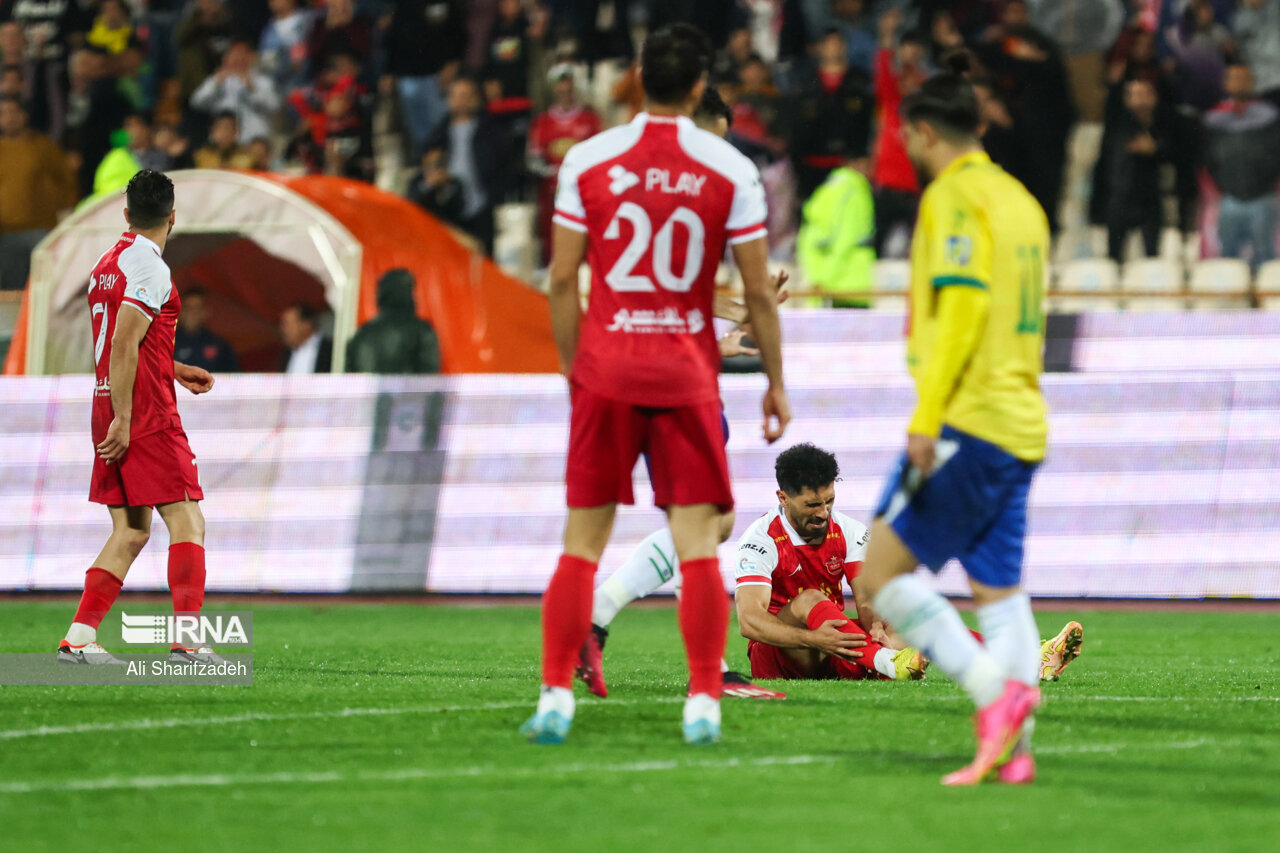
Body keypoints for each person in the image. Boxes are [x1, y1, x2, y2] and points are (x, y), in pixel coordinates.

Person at [523, 23, 789, 747]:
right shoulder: (730, 169)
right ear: (701, 85)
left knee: (581, 542)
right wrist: (774, 380)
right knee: (700, 542)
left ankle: (554, 696)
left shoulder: (589, 158)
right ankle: (703, 697)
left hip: (606, 368)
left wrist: (576, 368)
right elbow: (759, 292)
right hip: (684, 372)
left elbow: (559, 279)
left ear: (637, 79)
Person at [856, 53, 1052, 786]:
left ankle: (995, 698)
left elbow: (965, 304)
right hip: (1022, 419)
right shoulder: (1022, 201)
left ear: (926, 130)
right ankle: (1018, 748)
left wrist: (928, 415)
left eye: (906, 136)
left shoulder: (952, 198)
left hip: (971, 420)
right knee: (1000, 594)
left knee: (879, 576)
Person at [575, 84, 790, 703]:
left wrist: (730, 322)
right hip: (680, 384)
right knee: (707, 521)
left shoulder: (626, 179)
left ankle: (590, 631)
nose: (717, 156)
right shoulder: (700, 192)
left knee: (698, 521)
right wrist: (749, 312)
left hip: (628, 369)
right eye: (713, 140)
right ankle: (697, 667)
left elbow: (662, 293)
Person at [58, 169, 218, 664]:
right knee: (188, 520)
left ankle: (78, 639)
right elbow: (125, 342)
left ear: (126, 214)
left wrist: (171, 367)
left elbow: (123, 343)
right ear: (173, 217)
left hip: (109, 400)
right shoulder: (150, 266)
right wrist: (126, 420)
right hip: (142, 412)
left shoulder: (107, 263)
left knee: (131, 530)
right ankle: (188, 643)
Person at [1203, 65, 1280, 270]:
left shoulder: (1269, 117)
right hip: (1229, 200)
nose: (1239, 83)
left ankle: (1263, 303)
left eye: (1244, 78)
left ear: (1252, 82)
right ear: (1225, 83)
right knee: (1228, 260)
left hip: (1263, 197)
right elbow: (1209, 158)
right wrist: (1222, 185)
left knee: (1266, 258)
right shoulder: (1213, 119)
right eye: (1234, 78)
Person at [423, 75, 510, 256]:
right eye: (457, 95)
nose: (462, 101)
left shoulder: (491, 131)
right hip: (450, 212)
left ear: (476, 99)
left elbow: (503, 167)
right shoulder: (438, 135)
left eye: (467, 95)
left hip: (484, 209)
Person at [527, 64, 602, 265]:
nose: (565, 92)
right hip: (551, 197)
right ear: (554, 89)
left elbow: (600, 157)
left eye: (569, 88)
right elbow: (533, 159)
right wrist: (552, 172)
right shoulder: (542, 122)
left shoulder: (590, 120)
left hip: (584, 195)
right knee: (553, 244)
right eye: (561, 88)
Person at [0, 95, 75, 290]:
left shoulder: (43, 147)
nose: (9, 118)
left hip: (42, 232)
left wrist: (65, 219)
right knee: (12, 292)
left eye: (14, 112)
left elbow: (66, 182)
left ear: (24, 115)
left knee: (47, 289)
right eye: (3, 114)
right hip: (5, 234)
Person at [1092, 79, 1169, 263]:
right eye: (1135, 95)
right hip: (1119, 199)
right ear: (1126, 99)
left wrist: (1155, 150)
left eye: (1145, 94)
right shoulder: (1116, 128)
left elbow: (1177, 156)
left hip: (1149, 200)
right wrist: (1096, 208)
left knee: (1152, 258)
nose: (1141, 100)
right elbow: (1102, 166)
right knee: (1113, 259)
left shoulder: (1164, 125)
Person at [796, 156, 875, 307]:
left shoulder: (825, 189)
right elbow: (845, 240)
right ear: (860, 163)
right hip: (851, 286)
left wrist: (815, 277)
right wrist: (824, 278)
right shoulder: (855, 190)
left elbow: (808, 237)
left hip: (822, 283)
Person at [345, 269, 441, 375]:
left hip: (369, 391)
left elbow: (351, 377)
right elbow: (428, 379)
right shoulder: (422, 332)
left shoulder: (363, 333)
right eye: (412, 292)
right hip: (409, 391)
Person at [189, 40, 282, 144]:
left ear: (251, 57)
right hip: (224, 142)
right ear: (226, 57)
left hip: (254, 141)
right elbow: (196, 102)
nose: (238, 59)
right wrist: (215, 83)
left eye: (243, 55)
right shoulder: (218, 80)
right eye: (234, 55)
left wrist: (252, 88)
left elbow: (274, 106)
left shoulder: (262, 81)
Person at [174, 286, 238, 373]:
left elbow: (235, 378)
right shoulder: (167, 344)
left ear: (205, 312)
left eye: (197, 308)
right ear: (180, 312)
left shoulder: (219, 345)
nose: (193, 313)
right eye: (188, 308)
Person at [279, 302, 332, 374]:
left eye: (287, 324)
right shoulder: (285, 355)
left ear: (306, 325)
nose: (284, 330)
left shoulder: (329, 349)